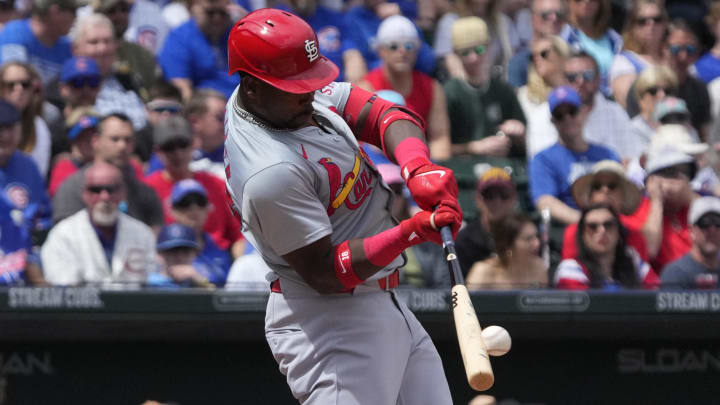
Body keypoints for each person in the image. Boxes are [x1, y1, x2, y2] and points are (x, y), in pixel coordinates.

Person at [224, 9, 462, 404]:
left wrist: (416, 164)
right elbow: (325, 273)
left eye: (309, 81)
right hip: (329, 321)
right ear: (252, 88)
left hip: (378, 302)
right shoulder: (269, 172)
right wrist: (410, 232)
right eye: (296, 87)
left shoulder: (270, 97)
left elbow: (380, 112)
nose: (309, 94)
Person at [41, 161, 156, 286]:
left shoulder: (143, 234)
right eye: (96, 190)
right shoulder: (63, 235)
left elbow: (152, 282)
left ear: (123, 193)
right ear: (84, 194)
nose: (105, 197)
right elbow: (64, 287)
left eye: (111, 189)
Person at [144, 117, 243, 257]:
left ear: (193, 144)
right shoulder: (148, 188)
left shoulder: (216, 184)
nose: (177, 153)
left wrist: (238, 266)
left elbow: (238, 236)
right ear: (157, 151)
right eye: (169, 147)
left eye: (183, 144)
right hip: (169, 261)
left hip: (217, 260)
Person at [357, 15, 451, 161]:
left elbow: (440, 139)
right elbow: (359, 142)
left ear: (417, 50)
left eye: (409, 46)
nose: (402, 51)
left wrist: (428, 171)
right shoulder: (365, 88)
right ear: (381, 50)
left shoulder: (432, 88)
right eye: (394, 46)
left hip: (416, 160)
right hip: (376, 165)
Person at [53, 112, 164, 229]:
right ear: (96, 141)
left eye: (128, 140)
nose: (122, 146)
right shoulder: (72, 188)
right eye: (114, 139)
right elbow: (65, 235)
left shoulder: (144, 193)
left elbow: (154, 237)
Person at [529, 85, 619, 226]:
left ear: (583, 112)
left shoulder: (607, 154)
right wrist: (586, 223)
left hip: (608, 226)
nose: (567, 119)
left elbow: (621, 194)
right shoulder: (543, 159)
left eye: (572, 112)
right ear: (553, 121)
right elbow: (544, 201)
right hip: (568, 231)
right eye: (560, 115)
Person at [444, 17, 527, 158]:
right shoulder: (449, 93)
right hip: (463, 174)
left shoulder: (503, 90)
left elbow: (526, 144)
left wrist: (518, 133)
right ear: (456, 54)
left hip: (503, 172)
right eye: (465, 52)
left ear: (489, 47)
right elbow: (438, 149)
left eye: (479, 49)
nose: (473, 57)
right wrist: (474, 148)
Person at [70, 13, 148, 132]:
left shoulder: (129, 80)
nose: (103, 48)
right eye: (94, 42)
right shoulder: (68, 85)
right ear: (75, 49)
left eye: (107, 41)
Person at [554, 203, 659, 290]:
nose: (602, 231)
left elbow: (657, 295)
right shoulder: (570, 269)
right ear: (582, 236)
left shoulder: (633, 260)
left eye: (608, 225)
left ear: (619, 233)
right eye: (592, 226)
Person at [563, 160, 647, 261]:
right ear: (590, 196)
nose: (605, 190)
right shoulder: (574, 233)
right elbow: (570, 272)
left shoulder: (634, 234)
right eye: (597, 186)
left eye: (612, 186)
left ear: (623, 196)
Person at [158, 0, 241, 100]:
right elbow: (181, 88)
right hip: (206, 105)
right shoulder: (180, 38)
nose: (217, 18)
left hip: (242, 103)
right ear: (193, 8)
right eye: (210, 12)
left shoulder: (238, 34)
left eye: (223, 13)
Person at [342, 0, 436, 83]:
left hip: (411, 83)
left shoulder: (401, 8)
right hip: (377, 84)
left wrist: (400, 18)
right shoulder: (354, 17)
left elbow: (428, 63)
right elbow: (355, 63)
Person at [0, 99, 52, 238]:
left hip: (25, 249)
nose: (5, 136)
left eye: (10, 127)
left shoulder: (28, 164)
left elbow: (44, 214)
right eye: (0, 128)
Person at [564, 50, 631, 158]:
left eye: (588, 76)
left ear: (598, 79)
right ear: (563, 81)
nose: (580, 81)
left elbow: (630, 156)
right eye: (572, 77)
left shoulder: (617, 113)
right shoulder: (548, 113)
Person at [89, 0, 161, 98]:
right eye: (111, 11)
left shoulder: (142, 54)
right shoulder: (87, 50)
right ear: (98, 15)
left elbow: (156, 93)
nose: (119, 16)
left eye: (124, 10)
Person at [169, 179, 232, 286]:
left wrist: (198, 279)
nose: (194, 208)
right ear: (173, 210)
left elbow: (224, 297)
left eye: (200, 202)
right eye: (185, 203)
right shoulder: (163, 248)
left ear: (208, 208)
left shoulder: (220, 252)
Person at [433, 0, 517, 80]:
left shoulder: (504, 23)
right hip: (463, 89)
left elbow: (511, 64)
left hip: (495, 85)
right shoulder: (449, 22)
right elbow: (454, 69)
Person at [456, 167, 515, 276]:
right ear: (477, 199)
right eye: (489, 195)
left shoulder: (523, 238)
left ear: (513, 199)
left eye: (504, 195)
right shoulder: (464, 241)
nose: (497, 201)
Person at [517, 34, 570, 159]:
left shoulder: (577, 88)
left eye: (544, 53)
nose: (537, 59)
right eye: (532, 56)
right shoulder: (525, 95)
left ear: (562, 55)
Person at [0, 0, 75, 86]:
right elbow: (14, 83)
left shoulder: (67, 47)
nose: (76, 17)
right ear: (55, 12)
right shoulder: (14, 33)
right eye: (73, 11)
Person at [609, 0, 668, 110]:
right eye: (642, 21)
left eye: (657, 19)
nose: (651, 24)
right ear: (632, 27)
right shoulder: (622, 62)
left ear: (665, 24)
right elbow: (629, 105)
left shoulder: (675, 56)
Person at [466, 213, 547, 290]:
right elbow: (467, 303)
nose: (537, 243)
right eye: (528, 239)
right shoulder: (483, 271)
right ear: (508, 244)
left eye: (536, 237)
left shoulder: (539, 267)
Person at [0, 61, 52, 177]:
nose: (19, 89)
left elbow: (37, 174)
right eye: (10, 85)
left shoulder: (38, 125)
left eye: (25, 84)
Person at [560, 0, 622, 95]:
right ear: (569, 2)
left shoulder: (614, 39)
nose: (587, 1)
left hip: (612, 101)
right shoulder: (562, 38)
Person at [661, 197, 720, 289]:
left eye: (718, 223)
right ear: (692, 231)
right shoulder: (676, 273)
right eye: (704, 223)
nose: (712, 230)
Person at [507, 0, 568, 88]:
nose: (554, 18)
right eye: (546, 15)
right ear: (533, 18)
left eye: (559, 15)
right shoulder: (519, 64)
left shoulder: (576, 55)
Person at [624, 66, 679, 161]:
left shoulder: (683, 124)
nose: (662, 95)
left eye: (667, 90)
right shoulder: (632, 130)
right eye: (653, 91)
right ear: (640, 97)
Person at [147, 222, 215, 289]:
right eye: (173, 251)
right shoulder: (148, 284)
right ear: (159, 254)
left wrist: (199, 279)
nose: (180, 257)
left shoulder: (198, 281)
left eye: (185, 251)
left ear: (195, 254)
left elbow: (216, 295)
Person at [48, 107, 98, 196]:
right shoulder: (64, 166)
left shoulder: (110, 164)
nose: (90, 141)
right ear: (73, 140)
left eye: (94, 135)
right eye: (83, 137)